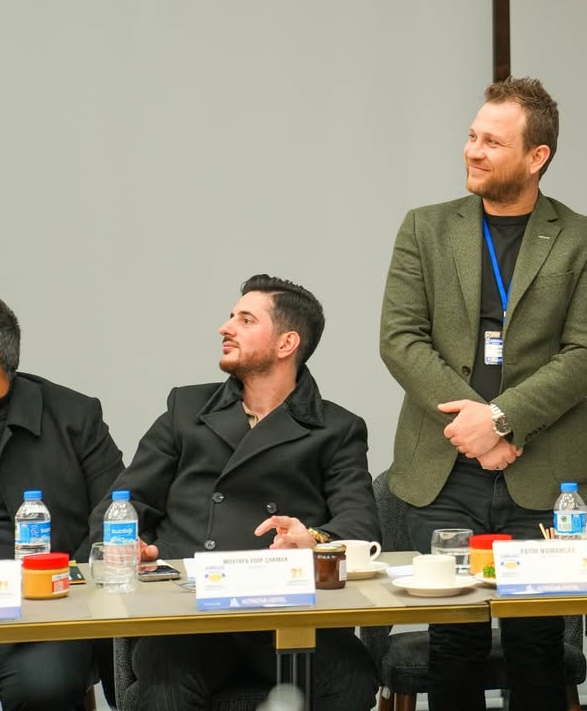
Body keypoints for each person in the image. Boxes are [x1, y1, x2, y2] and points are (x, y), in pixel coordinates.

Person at [380, 76, 587, 711]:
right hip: (444, 467)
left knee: (537, 648)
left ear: (536, 156)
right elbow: (400, 339)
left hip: (541, 470)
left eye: (492, 141)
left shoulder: (585, 239)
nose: (473, 150)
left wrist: (502, 420)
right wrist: (476, 427)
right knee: (454, 643)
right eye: (472, 136)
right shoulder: (426, 228)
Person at [91, 274, 378, 711]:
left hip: (286, 610)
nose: (224, 328)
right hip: (189, 611)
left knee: (352, 680)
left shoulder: (337, 429)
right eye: (231, 317)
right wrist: (132, 545)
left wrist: (314, 539)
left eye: (245, 320)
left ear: (286, 344)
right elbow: (123, 503)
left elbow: (361, 526)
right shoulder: (186, 409)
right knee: (164, 692)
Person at [0, 289, 124, 710]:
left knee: (45, 688)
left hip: (37, 612)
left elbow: (113, 519)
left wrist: (53, 593)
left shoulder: (71, 416)